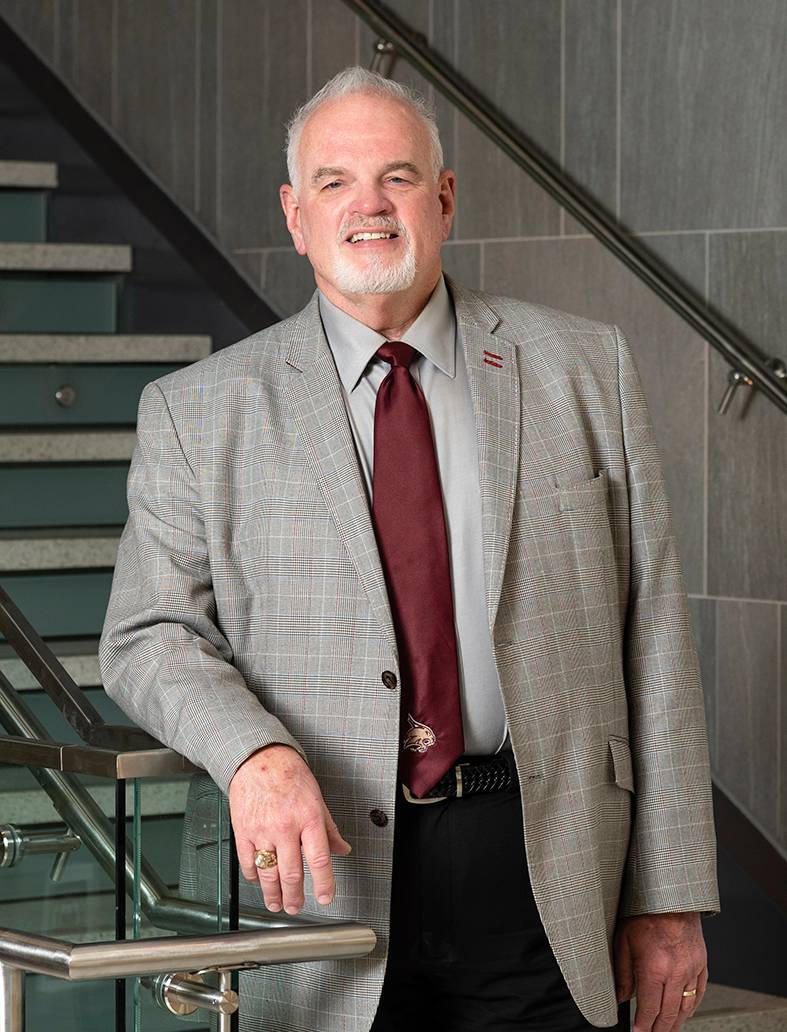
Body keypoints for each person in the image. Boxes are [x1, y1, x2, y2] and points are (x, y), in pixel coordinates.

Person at [99, 66, 720, 1032]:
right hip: (316, 892)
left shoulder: (584, 368)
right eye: (336, 182)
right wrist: (249, 752)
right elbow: (146, 634)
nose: (370, 206)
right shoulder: (200, 411)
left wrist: (668, 889)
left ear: (445, 197)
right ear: (296, 215)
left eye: (396, 176)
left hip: (547, 871)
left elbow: (655, 637)